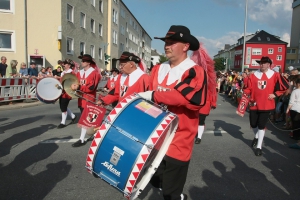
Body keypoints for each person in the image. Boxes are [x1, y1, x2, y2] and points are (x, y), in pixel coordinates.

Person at [138, 25, 207, 200]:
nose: (166, 46)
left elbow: (189, 99)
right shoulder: (157, 69)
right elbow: (148, 100)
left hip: (179, 138)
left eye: (172, 42)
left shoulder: (194, 70)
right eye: (166, 42)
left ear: (185, 46)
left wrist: (154, 94)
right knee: (154, 180)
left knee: (170, 192)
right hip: (155, 136)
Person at [243, 56, 289, 156]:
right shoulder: (253, 75)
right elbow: (248, 88)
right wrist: (245, 95)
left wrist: (275, 94)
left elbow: (285, 86)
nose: (262, 64)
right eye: (261, 63)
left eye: (264, 63)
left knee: (261, 125)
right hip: (254, 103)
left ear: (269, 65)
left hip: (266, 104)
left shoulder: (275, 75)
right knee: (253, 124)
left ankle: (259, 147)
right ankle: (256, 136)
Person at [70, 53, 101, 147]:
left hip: (89, 99)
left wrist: (79, 87)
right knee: (89, 119)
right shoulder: (80, 72)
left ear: (88, 63)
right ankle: (96, 133)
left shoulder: (94, 73)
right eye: (82, 60)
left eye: (83, 61)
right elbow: (76, 83)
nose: (81, 62)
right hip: (81, 99)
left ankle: (82, 139)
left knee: (85, 120)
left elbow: (92, 88)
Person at [192, 46, 217, 144]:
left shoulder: (209, 76)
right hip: (194, 101)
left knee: (201, 120)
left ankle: (199, 137)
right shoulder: (195, 73)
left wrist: (213, 103)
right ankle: (195, 132)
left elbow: (213, 90)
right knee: (194, 119)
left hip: (205, 102)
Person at [57, 59, 77, 129]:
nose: (63, 65)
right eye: (64, 63)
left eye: (65, 64)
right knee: (62, 106)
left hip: (67, 92)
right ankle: (73, 116)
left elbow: (74, 82)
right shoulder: (63, 73)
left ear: (69, 65)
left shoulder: (71, 73)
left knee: (63, 106)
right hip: (62, 92)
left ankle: (63, 122)